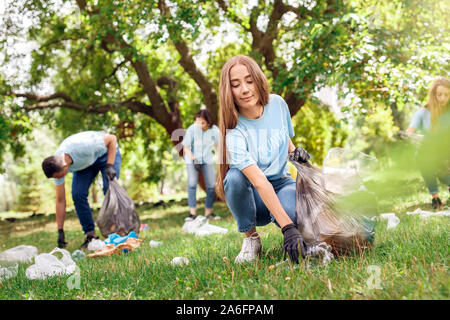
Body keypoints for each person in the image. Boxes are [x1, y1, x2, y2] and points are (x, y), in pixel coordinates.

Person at [216, 55, 309, 264]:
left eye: (249, 81)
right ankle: (251, 240)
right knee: (234, 178)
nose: (245, 90)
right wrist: (288, 229)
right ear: (228, 91)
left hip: (282, 183)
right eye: (235, 85)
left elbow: (285, 140)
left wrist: (296, 155)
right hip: (253, 195)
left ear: (258, 80)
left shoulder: (278, 104)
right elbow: (259, 181)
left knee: (297, 215)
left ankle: (292, 225)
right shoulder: (234, 132)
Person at [41, 131, 121, 249]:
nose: (59, 179)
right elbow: (60, 200)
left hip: (106, 153)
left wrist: (109, 165)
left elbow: (112, 139)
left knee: (109, 189)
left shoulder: (84, 146)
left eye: (59, 176)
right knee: (78, 194)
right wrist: (60, 230)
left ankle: (117, 230)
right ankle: (90, 235)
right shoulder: (56, 165)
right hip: (85, 163)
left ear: (65, 167)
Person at [406, 77, 450, 210]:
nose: (442, 98)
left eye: (446, 95)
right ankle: (435, 198)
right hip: (429, 156)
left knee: (444, 176)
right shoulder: (423, 113)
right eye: (439, 94)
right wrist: (411, 136)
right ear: (434, 95)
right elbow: (409, 132)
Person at [182, 109, 221, 221]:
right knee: (192, 185)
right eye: (197, 121)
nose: (199, 125)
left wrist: (221, 162)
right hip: (192, 159)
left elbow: (218, 147)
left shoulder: (215, 131)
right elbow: (186, 148)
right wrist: (194, 159)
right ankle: (192, 214)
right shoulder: (192, 129)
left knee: (211, 186)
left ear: (209, 122)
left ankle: (208, 213)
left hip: (207, 159)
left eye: (202, 123)